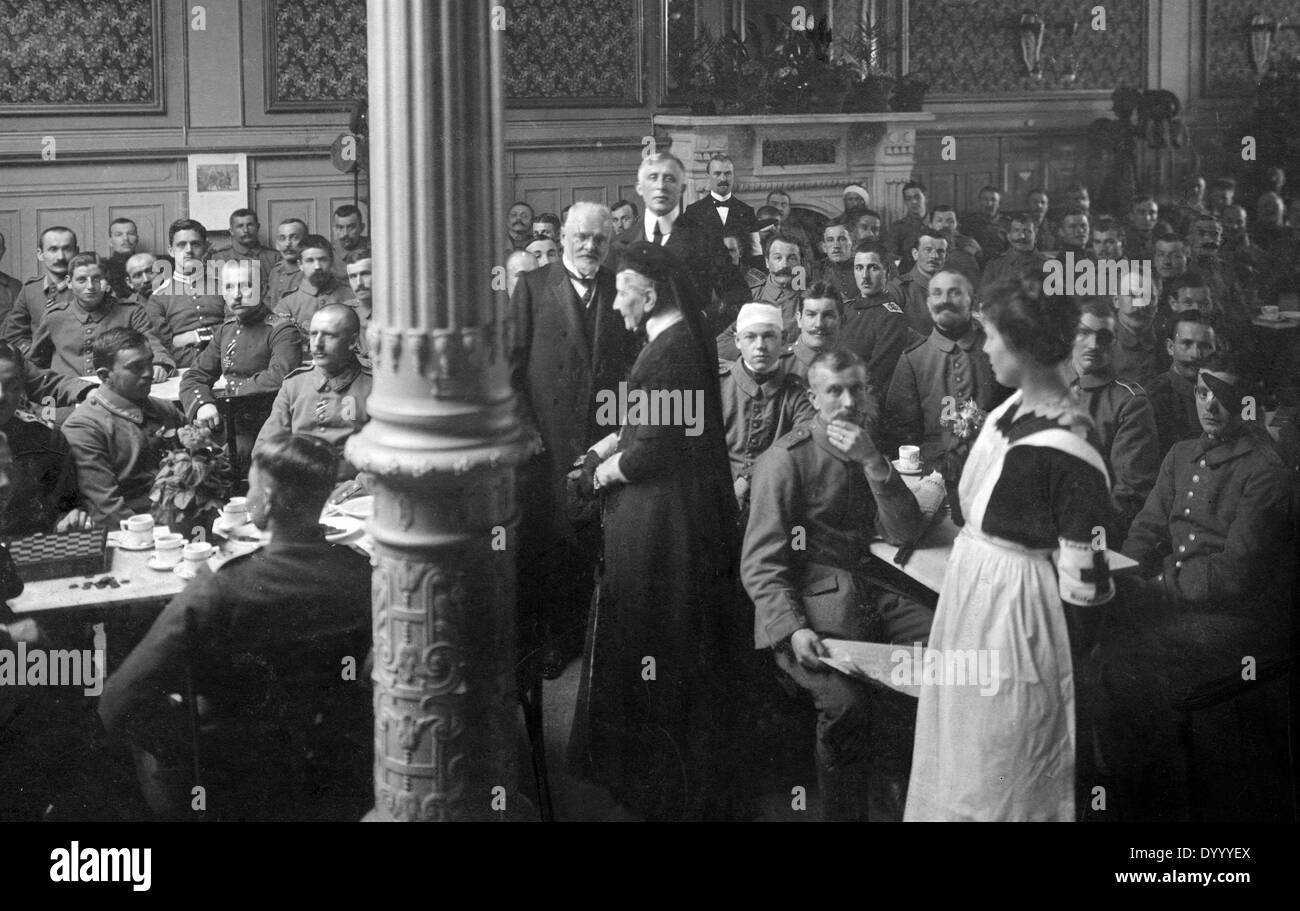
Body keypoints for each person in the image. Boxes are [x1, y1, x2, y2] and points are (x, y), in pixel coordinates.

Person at [906, 276, 1116, 822]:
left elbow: (1086, 589)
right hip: (978, 609)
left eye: (993, 338)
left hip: (1021, 628)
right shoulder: (1011, 408)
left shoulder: (1070, 447)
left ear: (1022, 346)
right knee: (965, 765)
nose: (987, 348)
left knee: (1007, 770)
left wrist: (1048, 671)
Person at [98, 433, 373, 821]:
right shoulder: (361, 573)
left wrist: (183, 741)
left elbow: (117, 700)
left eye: (252, 484)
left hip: (233, 778)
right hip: (334, 771)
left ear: (271, 497)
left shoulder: (221, 587)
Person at [567, 241, 741, 821]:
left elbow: (648, 456)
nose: (616, 304)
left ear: (652, 291)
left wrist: (595, 475)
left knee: (654, 635)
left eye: (623, 291)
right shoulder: (672, 342)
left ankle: (657, 787)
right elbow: (646, 421)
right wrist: (606, 442)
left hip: (664, 520)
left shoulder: (672, 350)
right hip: (663, 514)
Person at [743, 347, 934, 820]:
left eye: (856, 389)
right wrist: (793, 629)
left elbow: (905, 531)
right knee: (846, 707)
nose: (848, 402)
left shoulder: (866, 446)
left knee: (946, 651)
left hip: (867, 589)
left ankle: (903, 794)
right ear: (814, 396)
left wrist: (875, 463)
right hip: (806, 605)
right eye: (835, 391)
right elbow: (761, 564)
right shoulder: (785, 460)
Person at [510, 202, 637, 679]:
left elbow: (630, 369)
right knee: (546, 547)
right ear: (563, 236)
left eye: (599, 241)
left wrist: (619, 435)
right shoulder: (532, 286)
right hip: (545, 444)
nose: (589, 247)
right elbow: (510, 369)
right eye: (581, 237)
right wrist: (526, 430)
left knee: (590, 544)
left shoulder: (618, 289)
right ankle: (546, 644)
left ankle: (583, 639)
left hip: (600, 444)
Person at [884, 269, 1009, 475]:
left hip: (993, 468)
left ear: (972, 301)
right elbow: (901, 433)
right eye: (937, 293)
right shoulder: (913, 359)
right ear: (928, 304)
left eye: (954, 293)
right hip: (933, 472)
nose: (944, 300)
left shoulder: (997, 350)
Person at [180, 260, 302, 461]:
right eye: (229, 287)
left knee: (224, 462)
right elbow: (195, 376)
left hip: (265, 429)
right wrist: (203, 405)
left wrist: (230, 396)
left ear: (262, 289)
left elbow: (279, 377)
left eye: (245, 286)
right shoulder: (225, 330)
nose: (236, 295)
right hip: (229, 425)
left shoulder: (281, 331)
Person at [61, 328, 185, 525]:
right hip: (135, 530)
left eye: (149, 362)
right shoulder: (84, 427)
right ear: (104, 375)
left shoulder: (164, 408)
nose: (149, 373)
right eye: (135, 367)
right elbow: (107, 508)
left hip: (183, 519)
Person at [611, 152, 746, 333]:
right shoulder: (620, 244)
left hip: (690, 350)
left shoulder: (705, 238)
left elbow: (738, 295)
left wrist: (702, 321)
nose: (661, 186)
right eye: (653, 178)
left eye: (669, 179)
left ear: (682, 188)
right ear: (639, 188)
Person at [1068, 297, 1160, 544]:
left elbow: (1130, 492)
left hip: (1095, 532)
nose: (1093, 344)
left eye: (1104, 337)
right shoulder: (1052, 390)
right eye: (1083, 333)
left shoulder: (1129, 402)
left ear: (1114, 343)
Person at [255, 305, 371, 482]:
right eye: (313, 334)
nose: (317, 344)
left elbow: (387, 458)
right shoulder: (294, 385)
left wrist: (355, 488)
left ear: (353, 341)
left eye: (329, 335)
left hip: (353, 494)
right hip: (298, 489)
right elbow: (264, 448)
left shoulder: (373, 388)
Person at [720, 302, 814, 516]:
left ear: (783, 339)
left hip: (772, 501)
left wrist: (749, 478)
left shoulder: (796, 392)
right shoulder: (718, 386)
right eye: (750, 337)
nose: (760, 345)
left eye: (769, 336)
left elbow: (805, 439)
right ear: (737, 341)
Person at [30, 252, 174, 381]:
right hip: (67, 398)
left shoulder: (131, 312)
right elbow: (34, 364)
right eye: (81, 280)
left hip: (118, 392)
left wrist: (159, 364)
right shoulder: (55, 317)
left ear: (106, 280)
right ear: (69, 282)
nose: (91, 286)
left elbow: (152, 344)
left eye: (97, 279)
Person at [0, 342, 90, 536]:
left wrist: (70, 518)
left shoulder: (47, 439)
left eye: (11, 386)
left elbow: (68, 505)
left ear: (22, 389)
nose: (0, 396)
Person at [144, 219, 226, 368]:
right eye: (181, 245)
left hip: (228, 361)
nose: (188, 250)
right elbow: (162, 342)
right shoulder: (158, 297)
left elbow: (238, 325)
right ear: (171, 250)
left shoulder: (224, 286)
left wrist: (195, 336)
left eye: (195, 244)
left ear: (205, 248)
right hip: (186, 367)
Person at [838, 241, 910, 396]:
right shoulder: (846, 309)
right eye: (859, 268)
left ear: (887, 272)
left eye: (873, 268)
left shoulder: (892, 317)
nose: (865, 276)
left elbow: (876, 375)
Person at [1146, 311, 1218, 460]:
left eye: (1205, 346)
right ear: (1170, 347)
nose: (1196, 354)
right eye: (1187, 344)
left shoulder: (1226, 392)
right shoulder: (1154, 398)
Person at [2, 226, 78, 354]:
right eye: (53, 249)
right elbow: (13, 334)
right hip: (37, 367)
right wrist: (32, 353)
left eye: (66, 249)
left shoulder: (87, 289)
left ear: (76, 251)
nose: (60, 257)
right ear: (40, 254)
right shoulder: (30, 289)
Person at [273, 233, 356, 344]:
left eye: (322, 260)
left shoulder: (352, 296)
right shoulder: (287, 305)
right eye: (310, 261)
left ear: (331, 262)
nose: (317, 266)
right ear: (300, 265)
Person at [682, 153, 759, 268]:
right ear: (708, 176)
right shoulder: (693, 212)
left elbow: (756, 252)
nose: (723, 179)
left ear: (733, 175)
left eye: (727, 174)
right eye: (717, 174)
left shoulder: (747, 211)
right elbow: (686, 252)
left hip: (738, 279)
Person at [209, 208, 279, 293]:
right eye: (240, 226)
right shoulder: (219, 258)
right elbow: (216, 293)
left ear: (258, 227)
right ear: (231, 231)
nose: (246, 230)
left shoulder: (274, 257)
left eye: (250, 225)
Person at [782, 283, 842, 379]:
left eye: (828, 315)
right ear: (799, 319)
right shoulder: (778, 366)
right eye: (811, 315)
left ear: (841, 321)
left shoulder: (852, 366)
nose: (819, 324)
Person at [267, 218, 307, 304]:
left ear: (306, 241)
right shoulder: (275, 271)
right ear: (277, 244)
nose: (288, 244)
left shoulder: (310, 272)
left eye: (294, 238)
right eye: (282, 238)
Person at [102, 218, 139, 301]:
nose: (126, 238)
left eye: (131, 234)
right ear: (110, 242)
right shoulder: (102, 267)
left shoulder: (150, 265)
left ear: (137, 239)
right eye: (119, 234)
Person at [330, 204, 369, 279]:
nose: (345, 234)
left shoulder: (375, 250)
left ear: (362, 228)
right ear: (334, 230)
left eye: (351, 227)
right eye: (340, 227)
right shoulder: (328, 255)